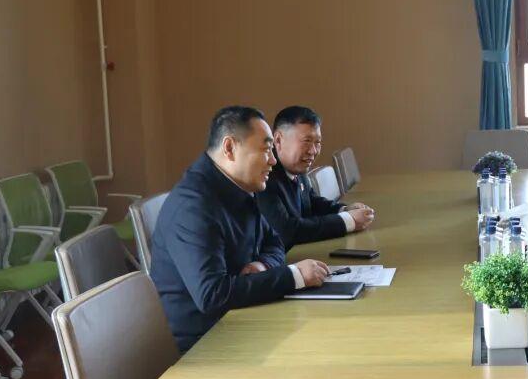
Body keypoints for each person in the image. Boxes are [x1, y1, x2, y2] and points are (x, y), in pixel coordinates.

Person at [150, 105, 329, 352]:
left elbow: (274, 241)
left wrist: (263, 265)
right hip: (206, 345)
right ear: (229, 148)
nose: (273, 160)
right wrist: (294, 276)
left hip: (243, 319)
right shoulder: (193, 206)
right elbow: (212, 296)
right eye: (266, 149)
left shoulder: (238, 187)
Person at [256, 105, 374, 249]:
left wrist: (344, 210)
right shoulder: (263, 176)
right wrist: (348, 221)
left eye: (317, 142)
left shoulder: (297, 167)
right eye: (306, 141)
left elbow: (311, 203)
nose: (313, 151)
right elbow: (286, 232)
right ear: (278, 140)